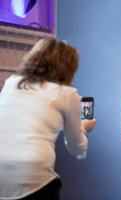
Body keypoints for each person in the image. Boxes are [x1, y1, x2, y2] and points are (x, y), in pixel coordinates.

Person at [0, 38, 96, 200]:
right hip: (33, 177)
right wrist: (84, 128)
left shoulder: (11, 83)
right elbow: (76, 147)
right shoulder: (67, 93)